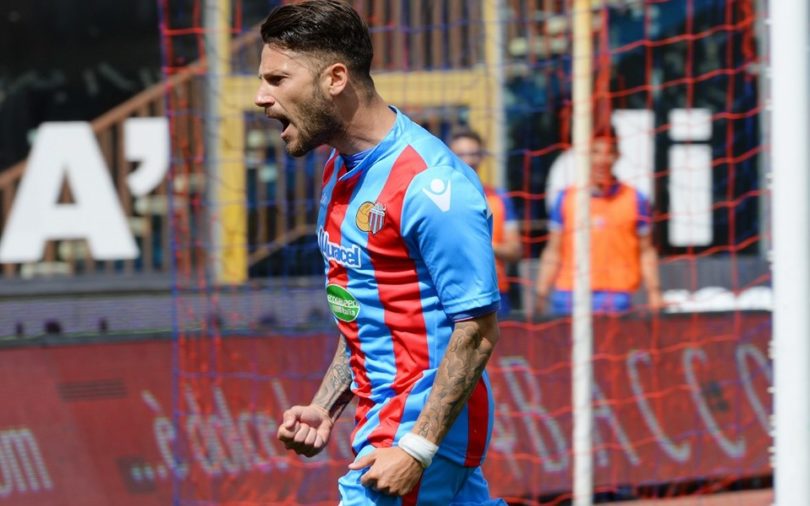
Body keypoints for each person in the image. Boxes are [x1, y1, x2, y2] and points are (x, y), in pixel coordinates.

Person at [254, 2, 504, 504]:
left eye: (277, 79)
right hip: (384, 421)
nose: (261, 97)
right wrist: (326, 405)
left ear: (335, 79)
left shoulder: (431, 186)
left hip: (411, 432)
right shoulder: (339, 169)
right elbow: (368, 306)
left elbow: (477, 331)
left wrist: (417, 448)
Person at [534, 124, 663, 316]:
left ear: (617, 156)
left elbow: (646, 250)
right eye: (595, 152)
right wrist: (541, 294)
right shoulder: (566, 198)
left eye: (608, 152)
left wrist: (654, 292)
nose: (602, 159)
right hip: (569, 294)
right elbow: (553, 250)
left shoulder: (635, 199)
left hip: (616, 295)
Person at [449, 129, 521, 318]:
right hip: (452, 291)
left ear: (482, 157)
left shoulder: (499, 198)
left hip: (495, 292)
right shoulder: (439, 198)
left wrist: (484, 245)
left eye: (474, 154)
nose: (468, 160)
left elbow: (515, 250)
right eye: (461, 154)